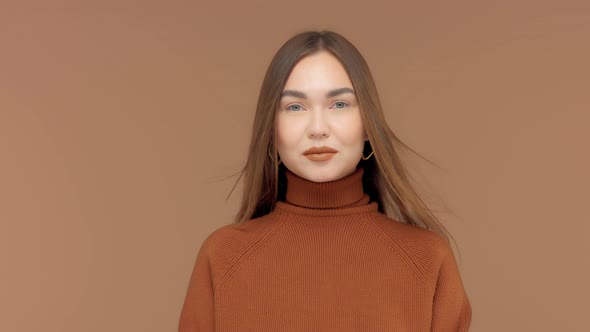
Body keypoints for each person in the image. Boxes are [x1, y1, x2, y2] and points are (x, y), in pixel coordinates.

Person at [178, 30, 472, 331]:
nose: (317, 128)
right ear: (270, 129)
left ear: (369, 124)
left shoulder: (427, 258)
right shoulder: (223, 256)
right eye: (295, 107)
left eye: (339, 104)